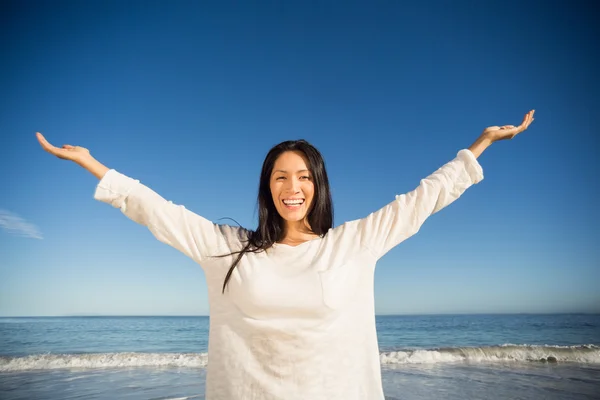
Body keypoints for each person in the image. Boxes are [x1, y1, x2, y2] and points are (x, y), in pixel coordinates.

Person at [36, 109, 535, 400]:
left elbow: (423, 198)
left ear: (317, 185)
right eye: (280, 176)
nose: (291, 188)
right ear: (267, 187)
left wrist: (480, 145)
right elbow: (157, 211)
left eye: (303, 177)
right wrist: (91, 165)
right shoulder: (229, 250)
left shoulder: (352, 244)